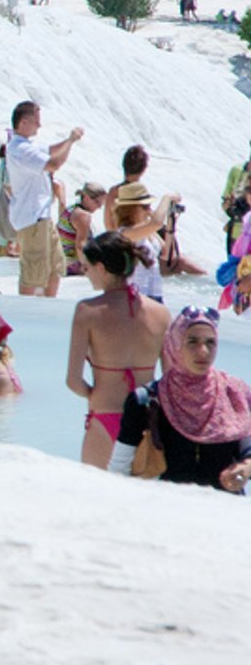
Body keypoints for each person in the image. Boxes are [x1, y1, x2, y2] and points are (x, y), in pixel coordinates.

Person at [107, 308, 251, 491]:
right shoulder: (147, 400)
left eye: (210, 342)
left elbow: (248, 450)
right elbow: (119, 469)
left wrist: (244, 469)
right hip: (167, 511)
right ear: (175, 345)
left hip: (222, 512)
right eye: (192, 342)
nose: (203, 351)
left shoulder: (234, 393)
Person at [68, 232, 172, 468]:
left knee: (96, 497)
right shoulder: (161, 313)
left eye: (87, 267)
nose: (86, 273)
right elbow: (170, 378)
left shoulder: (87, 311)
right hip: (148, 420)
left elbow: (73, 381)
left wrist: (94, 395)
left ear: (102, 268)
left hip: (105, 414)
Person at [4, 101, 83, 297]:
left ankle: (48, 304)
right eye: (36, 121)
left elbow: (49, 150)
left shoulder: (26, 146)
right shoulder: (20, 149)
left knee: (55, 266)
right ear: (23, 123)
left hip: (41, 215)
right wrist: (71, 142)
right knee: (34, 270)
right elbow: (53, 163)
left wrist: (67, 141)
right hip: (32, 217)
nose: (39, 126)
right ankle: (29, 311)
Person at [111, 181, 181, 303]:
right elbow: (156, 222)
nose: (149, 209)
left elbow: (168, 256)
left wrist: (171, 225)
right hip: (136, 295)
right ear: (130, 209)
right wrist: (166, 198)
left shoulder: (147, 232)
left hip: (154, 294)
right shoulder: (125, 233)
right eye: (145, 206)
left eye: (149, 205)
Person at [59, 180, 106, 274]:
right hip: (73, 264)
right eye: (97, 202)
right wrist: (87, 268)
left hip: (62, 260)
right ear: (87, 198)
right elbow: (80, 246)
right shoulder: (83, 216)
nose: (99, 207)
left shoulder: (70, 209)